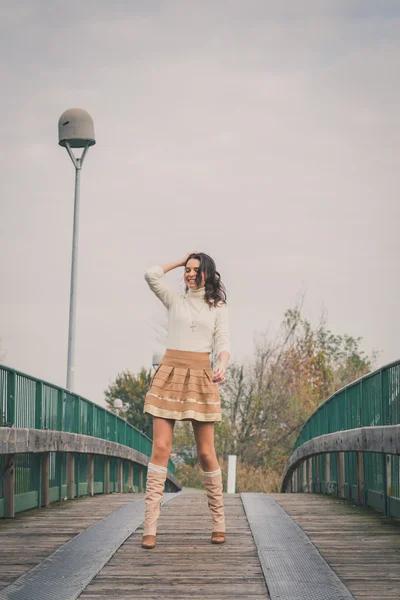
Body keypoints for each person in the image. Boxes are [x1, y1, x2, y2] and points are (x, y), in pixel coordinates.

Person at [141, 251, 231, 549]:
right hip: (169, 374)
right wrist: (181, 260)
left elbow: (223, 343)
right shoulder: (174, 300)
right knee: (161, 448)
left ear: (208, 272)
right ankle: (150, 527)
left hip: (201, 376)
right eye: (187, 270)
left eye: (196, 269)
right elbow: (151, 274)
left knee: (206, 453)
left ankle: (219, 522)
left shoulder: (218, 307)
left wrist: (222, 364)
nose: (190, 274)